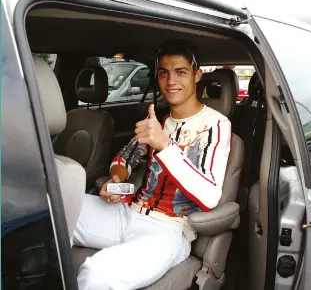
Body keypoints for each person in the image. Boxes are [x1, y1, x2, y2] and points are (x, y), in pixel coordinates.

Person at [73, 39, 232, 290]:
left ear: (197, 75)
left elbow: (210, 196)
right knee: (56, 206)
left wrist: (165, 146)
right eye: (163, 73)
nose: (171, 82)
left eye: (180, 72)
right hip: (128, 213)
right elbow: (124, 158)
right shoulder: (159, 120)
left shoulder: (216, 125)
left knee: (97, 274)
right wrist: (117, 179)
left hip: (168, 231)